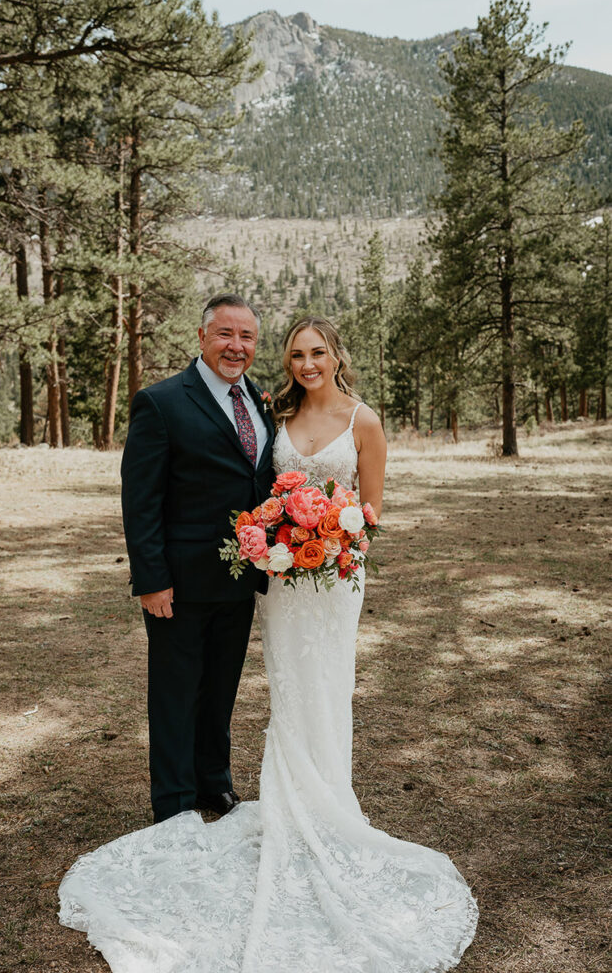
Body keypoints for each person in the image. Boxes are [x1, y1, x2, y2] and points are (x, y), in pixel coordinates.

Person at [59, 316, 478, 972]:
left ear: (337, 355)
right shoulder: (272, 411)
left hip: (334, 579)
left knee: (327, 688)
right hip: (283, 579)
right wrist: (280, 540)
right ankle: (284, 805)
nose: (306, 363)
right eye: (295, 354)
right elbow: (254, 490)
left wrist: (333, 545)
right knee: (287, 689)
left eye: (316, 352)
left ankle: (327, 806)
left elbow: (370, 512)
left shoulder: (362, 421)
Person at [119, 292, 275, 823]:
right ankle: (174, 801)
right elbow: (140, 501)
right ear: (203, 337)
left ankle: (214, 783)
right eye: (226, 334)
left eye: (247, 336)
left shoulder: (260, 401)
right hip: (178, 584)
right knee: (175, 693)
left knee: (220, 689)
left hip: (240, 578)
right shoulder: (161, 402)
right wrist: (151, 579)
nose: (236, 346)